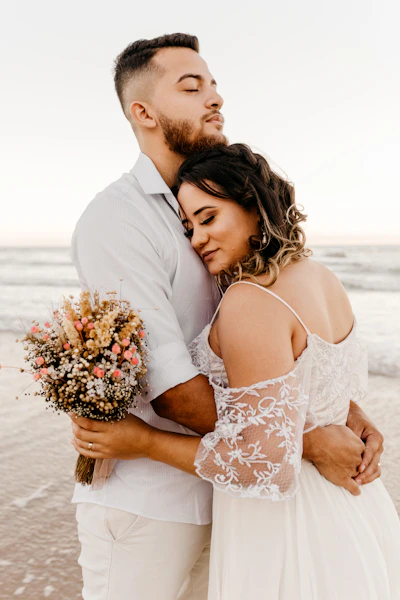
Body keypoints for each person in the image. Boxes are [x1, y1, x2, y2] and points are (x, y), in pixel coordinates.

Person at [70, 35, 385, 600]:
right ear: (142, 112)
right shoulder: (118, 220)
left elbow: (282, 349)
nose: (215, 100)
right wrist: (310, 439)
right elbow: (170, 388)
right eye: (192, 88)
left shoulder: (218, 219)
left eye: (215, 87)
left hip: (239, 497)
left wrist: (342, 407)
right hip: (154, 506)